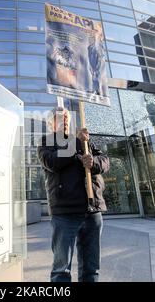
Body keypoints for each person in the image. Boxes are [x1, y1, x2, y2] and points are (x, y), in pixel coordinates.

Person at [37, 107, 110, 282]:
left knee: (91, 269)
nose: (65, 120)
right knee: (61, 270)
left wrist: (93, 162)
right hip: (65, 212)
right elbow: (53, 162)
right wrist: (76, 143)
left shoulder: (84, 142)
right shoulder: (46, 142)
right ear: (51, 123)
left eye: (67, 118)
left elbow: (105, 161)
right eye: (60, 118)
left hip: (92, 210)